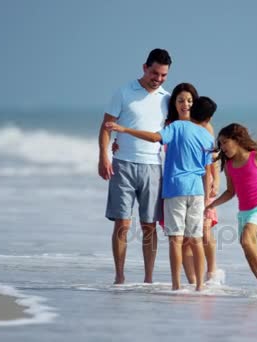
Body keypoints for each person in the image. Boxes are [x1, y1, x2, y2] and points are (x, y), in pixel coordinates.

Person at [112, 83, 220, 285]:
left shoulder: (176, 127)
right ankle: (199, 286)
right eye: (180, 100)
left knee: (176, 239)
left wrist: (124, 130)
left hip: (175, 190)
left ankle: (177, 285)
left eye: (189, 101)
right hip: (197, 192)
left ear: (194, 105)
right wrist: (207, 197)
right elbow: (208, 168)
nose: (185, 104)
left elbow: (154, 138)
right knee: (196, 239)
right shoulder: (205, 134)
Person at [98, 48, 171, 284]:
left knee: (149, 225)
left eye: (163, 75)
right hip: (123, 165)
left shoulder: (167, 98)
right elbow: (107, 126)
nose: (158, 79)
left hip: (152, 167)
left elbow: (172, 134)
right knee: (123, 223)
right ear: (144, 67)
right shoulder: (123, 92)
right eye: (155, 73)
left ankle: (148, 279)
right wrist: (104, 156)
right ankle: (119, 277)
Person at [205, 123, 257, 296]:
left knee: (247, 240)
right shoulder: (229, 166)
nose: (223, 147)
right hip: (244, 212)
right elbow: (230, 192)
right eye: (221, 144)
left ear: (237, 140)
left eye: (225, 142)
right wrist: (212, 204)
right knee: (245, 245)